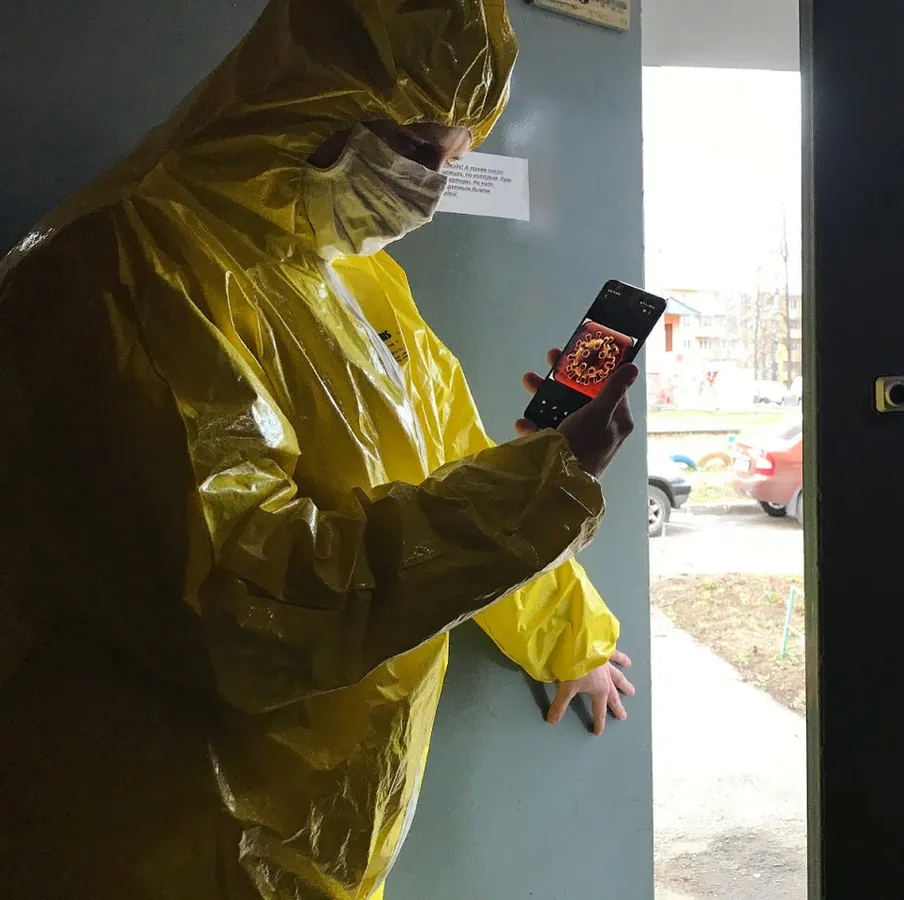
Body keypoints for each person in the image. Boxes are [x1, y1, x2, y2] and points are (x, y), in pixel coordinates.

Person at [0, 1, 637, 897]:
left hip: (317, 855)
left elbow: (451, 473)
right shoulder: (122, 269)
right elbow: (239, 603)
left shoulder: (357, 282)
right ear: (310, 98)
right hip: (154, 845)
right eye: (415, 148)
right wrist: (546, 489)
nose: (429, 188)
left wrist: (572, 633)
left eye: (451, 162)